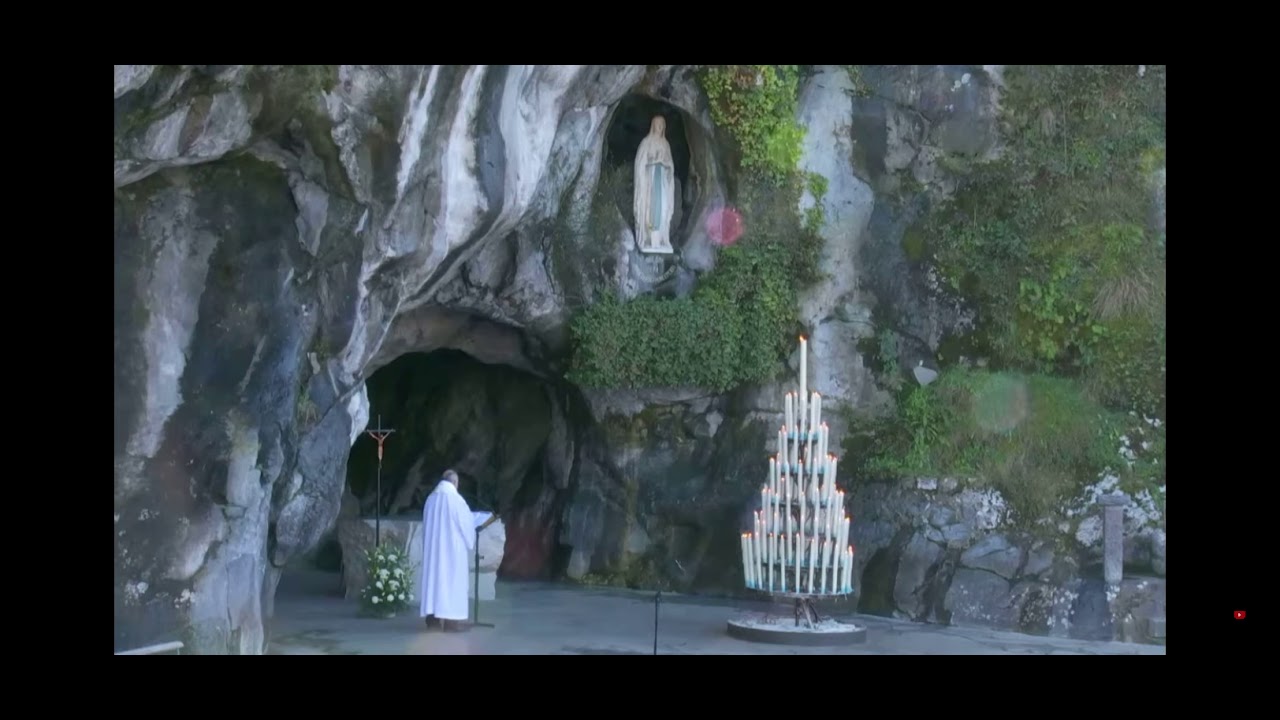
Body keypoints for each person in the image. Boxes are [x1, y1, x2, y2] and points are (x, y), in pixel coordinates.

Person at [419, 469, 479, 632]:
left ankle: (433, 620)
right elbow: (467, 525)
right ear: (454, 483)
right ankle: (452, 623)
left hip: (434, 552)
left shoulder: (430, 499)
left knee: (434, 583)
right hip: (452, 551)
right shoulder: (456, 501)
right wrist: (470, 539)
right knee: (452, 583)